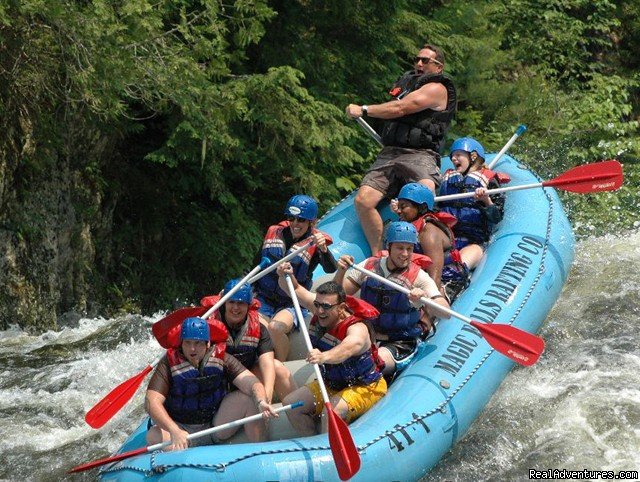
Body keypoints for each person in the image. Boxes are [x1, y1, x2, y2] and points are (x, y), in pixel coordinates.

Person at [345, 43, 457, 255]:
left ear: (439, 67)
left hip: (420, 155)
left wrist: (364, 109)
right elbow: (391, 113)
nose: (419, 64)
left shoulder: (437, 88)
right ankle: (380, 254)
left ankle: (429, 252)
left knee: (424, 195)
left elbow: (401, 108)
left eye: (425, 60)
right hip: (390, 153)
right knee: (364, 200)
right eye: (417, 59)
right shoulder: (407, 85)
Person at [277, 269, 387, 436]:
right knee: (292, 404)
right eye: (317, 305)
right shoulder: (320, 310)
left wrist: (324, 356)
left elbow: (346, 349)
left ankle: (326, 448)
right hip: (332, 385)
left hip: (365, 387)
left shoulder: (357, 328)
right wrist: (285, 274)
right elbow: (292, 288)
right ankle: (313, 443)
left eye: (326, 307)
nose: (320, 311)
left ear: (341, 307)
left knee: (331, 412)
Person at [334, 222, 450, 377]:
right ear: (389, 247)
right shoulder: (369, 266)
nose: (405, 254)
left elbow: (446, 313)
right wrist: (341, 272)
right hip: (367, 334)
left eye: (409, 248)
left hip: (400, 341)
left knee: (366, 364)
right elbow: (337, 296)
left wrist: (423, 299)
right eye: (400, 248)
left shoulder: (419, 277)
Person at [145, 317, 278, 450]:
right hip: (181, 430)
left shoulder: (221, 358)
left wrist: (261, 401)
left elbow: (252, 383)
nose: (192, 349)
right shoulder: (168, 363)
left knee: (248, 399)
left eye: (197, 343)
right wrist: (174, 430)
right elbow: (151, 402)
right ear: (181, 343)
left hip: (215, 426)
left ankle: (262, 449)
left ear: (207, 343)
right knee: (153, 436)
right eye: (187, 343)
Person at [255, 194, 337, 361]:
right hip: (264, 298)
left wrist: (323, 249)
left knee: (275, 328)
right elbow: (255, 267)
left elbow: (331, 268)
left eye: (301, 220)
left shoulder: (313, 243)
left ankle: (280, 366)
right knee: (258, 329)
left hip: (291, 302)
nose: (295, 223)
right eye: (291, 218)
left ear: (311, 223)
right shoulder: (274, 234)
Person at [200, 279, 297, 403]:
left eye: (241, 303)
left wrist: (267, 395)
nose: (235, 308)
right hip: (218, 382)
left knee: (277, 367)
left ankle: (298, 411)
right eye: (231, 302)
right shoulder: (207, 324)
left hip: (247, 377)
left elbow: (267, 362)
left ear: (248, 305)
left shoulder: (258, 327)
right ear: (224, 303)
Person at [436, 137, 508, 297]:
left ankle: (447, 289)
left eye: (458, 155)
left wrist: (486, 200)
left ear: (473, 156)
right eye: (452, 156)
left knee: (467, 257)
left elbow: (496, 218)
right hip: (448, 237)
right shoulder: (446, 179)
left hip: (473, 241)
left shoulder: (489, 182)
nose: (453, 159)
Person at [391, 182, 459, 292]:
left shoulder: (429, 233)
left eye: (403, 207)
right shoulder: (409, 227)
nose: (398, 211)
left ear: (421, 207)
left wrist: (430, 299)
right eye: (398, 206)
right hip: (420, 277)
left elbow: (435, 279)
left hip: (446, 279)